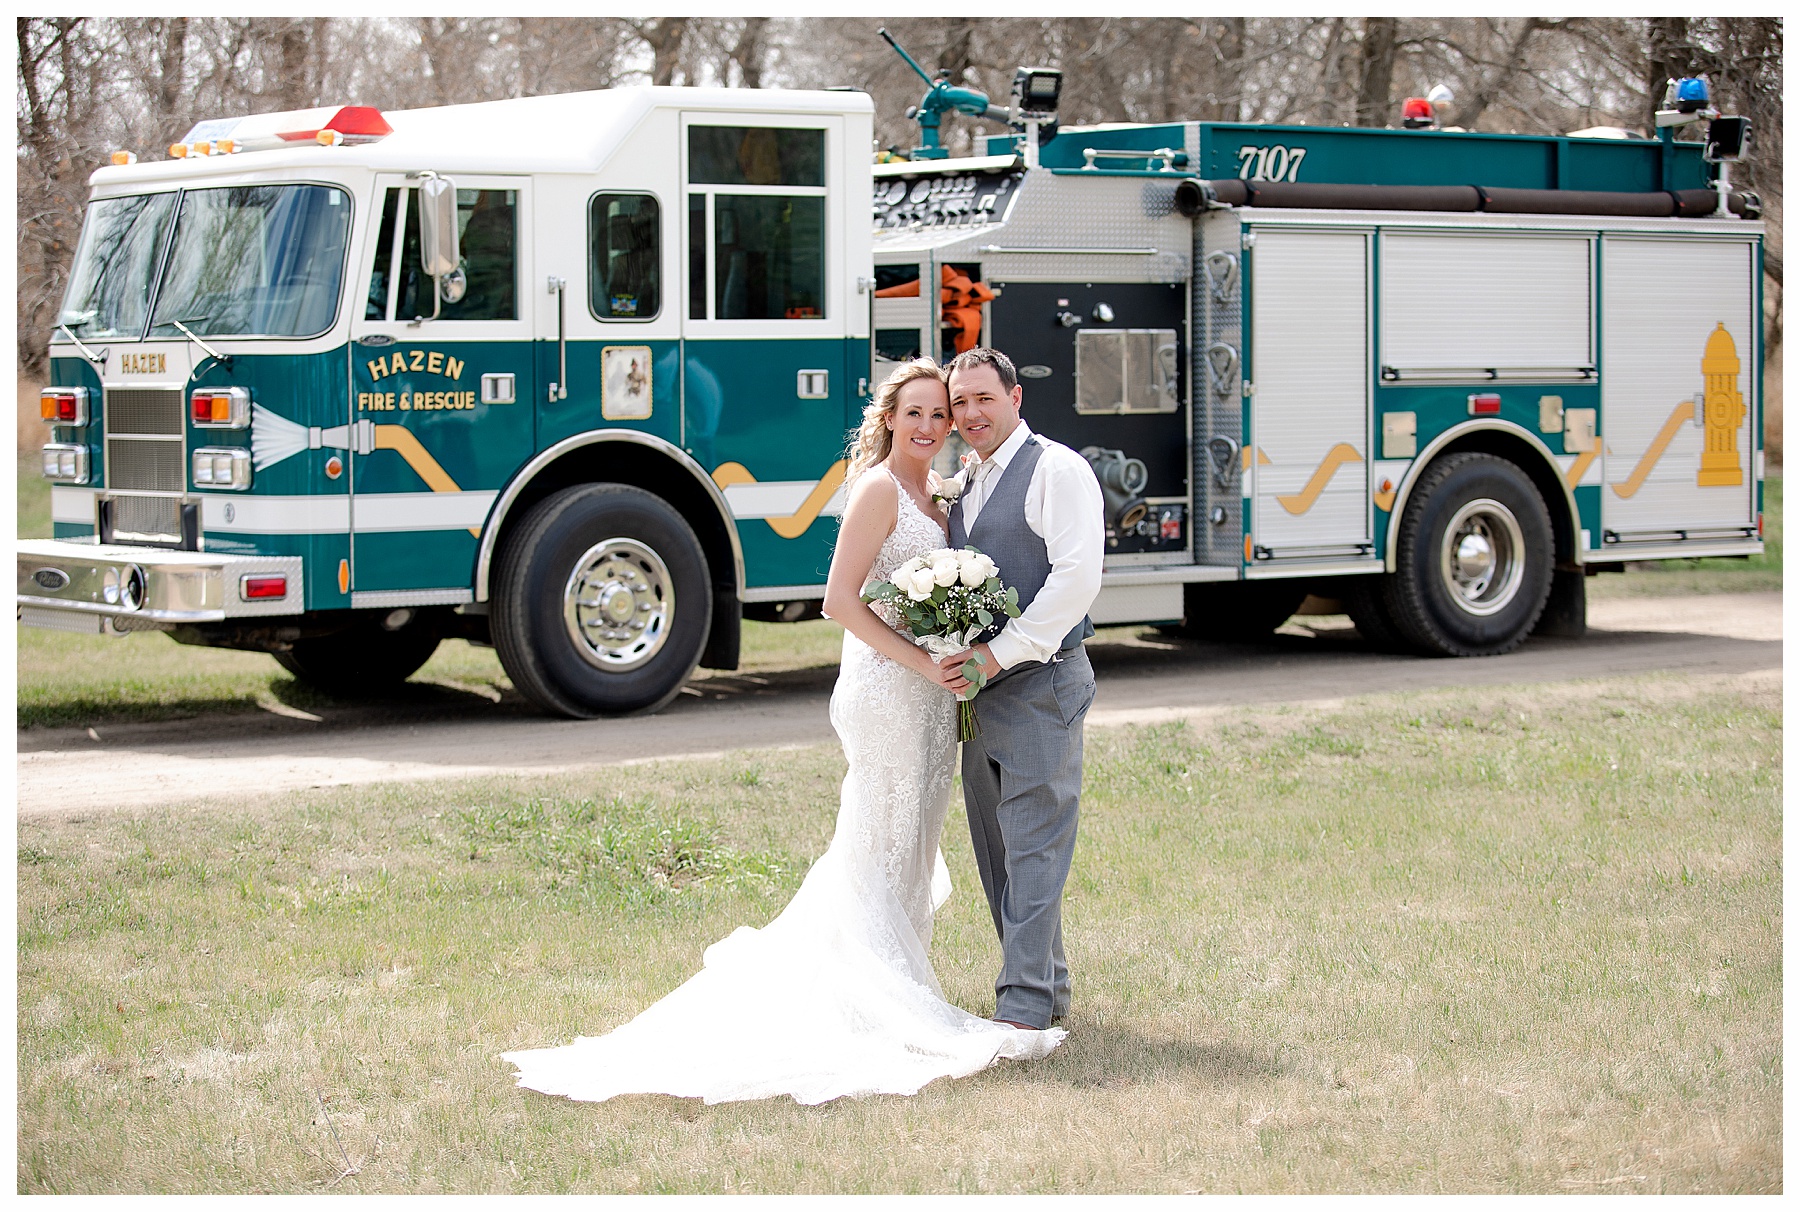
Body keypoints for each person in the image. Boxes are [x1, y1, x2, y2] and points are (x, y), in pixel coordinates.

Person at [500, 359, 1064, 1106]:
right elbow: (839, 602)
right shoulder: (876, 490)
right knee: (879, 831)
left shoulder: (940, 493)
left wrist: (947, 654)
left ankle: (895, 979)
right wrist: (922, 663)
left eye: (942, 414)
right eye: (917, 412)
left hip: (928, 697)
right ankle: (870, 996)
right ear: (888, 417)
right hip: (889, 692)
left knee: (913, 836)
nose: (932, 426)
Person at [938, 347, 1105, 1032]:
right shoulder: (964, 480)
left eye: (984, 398)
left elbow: (1075, 580)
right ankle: (1045, 984)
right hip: (979, 696)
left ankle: (1025, 1009)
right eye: (960, 404)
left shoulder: (1058, 470)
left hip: (1041, 683)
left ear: (1015, 399)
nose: (971, 414)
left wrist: (997, 657)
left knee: (1035, 846)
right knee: (998, 851)